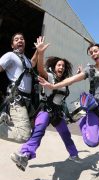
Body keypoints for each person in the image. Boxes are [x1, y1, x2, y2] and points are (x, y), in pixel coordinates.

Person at [39, 32, 99, 147]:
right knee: (92, 143)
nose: (93, 54)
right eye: (91, 53)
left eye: (95, 51)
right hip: (94, 107)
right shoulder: (89, 70)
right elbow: (71, 80)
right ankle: (83, 123)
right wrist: (53, 86)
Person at [10, 36, 80, 171]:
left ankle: (74, 154)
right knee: (39, 131)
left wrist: (78, 75)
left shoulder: (64, 82)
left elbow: (72, 81)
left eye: (63, 66)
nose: (61, 67)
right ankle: (24, 155)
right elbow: (41, 69)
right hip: (45, 110)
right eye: (59, 65)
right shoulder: (50, 76)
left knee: (66, 134)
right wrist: (40, 53)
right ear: (54, 67)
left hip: (58, 113)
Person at [0, 32, 38, 143]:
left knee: (27, 131)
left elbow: (32, 63)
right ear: (12, 45)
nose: (20, 40)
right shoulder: (10, 55)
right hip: (17, 98)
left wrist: (38, 50)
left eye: (22, 38)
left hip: (26, 100)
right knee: (24, 135)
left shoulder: (25, 59)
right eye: (16, 39)